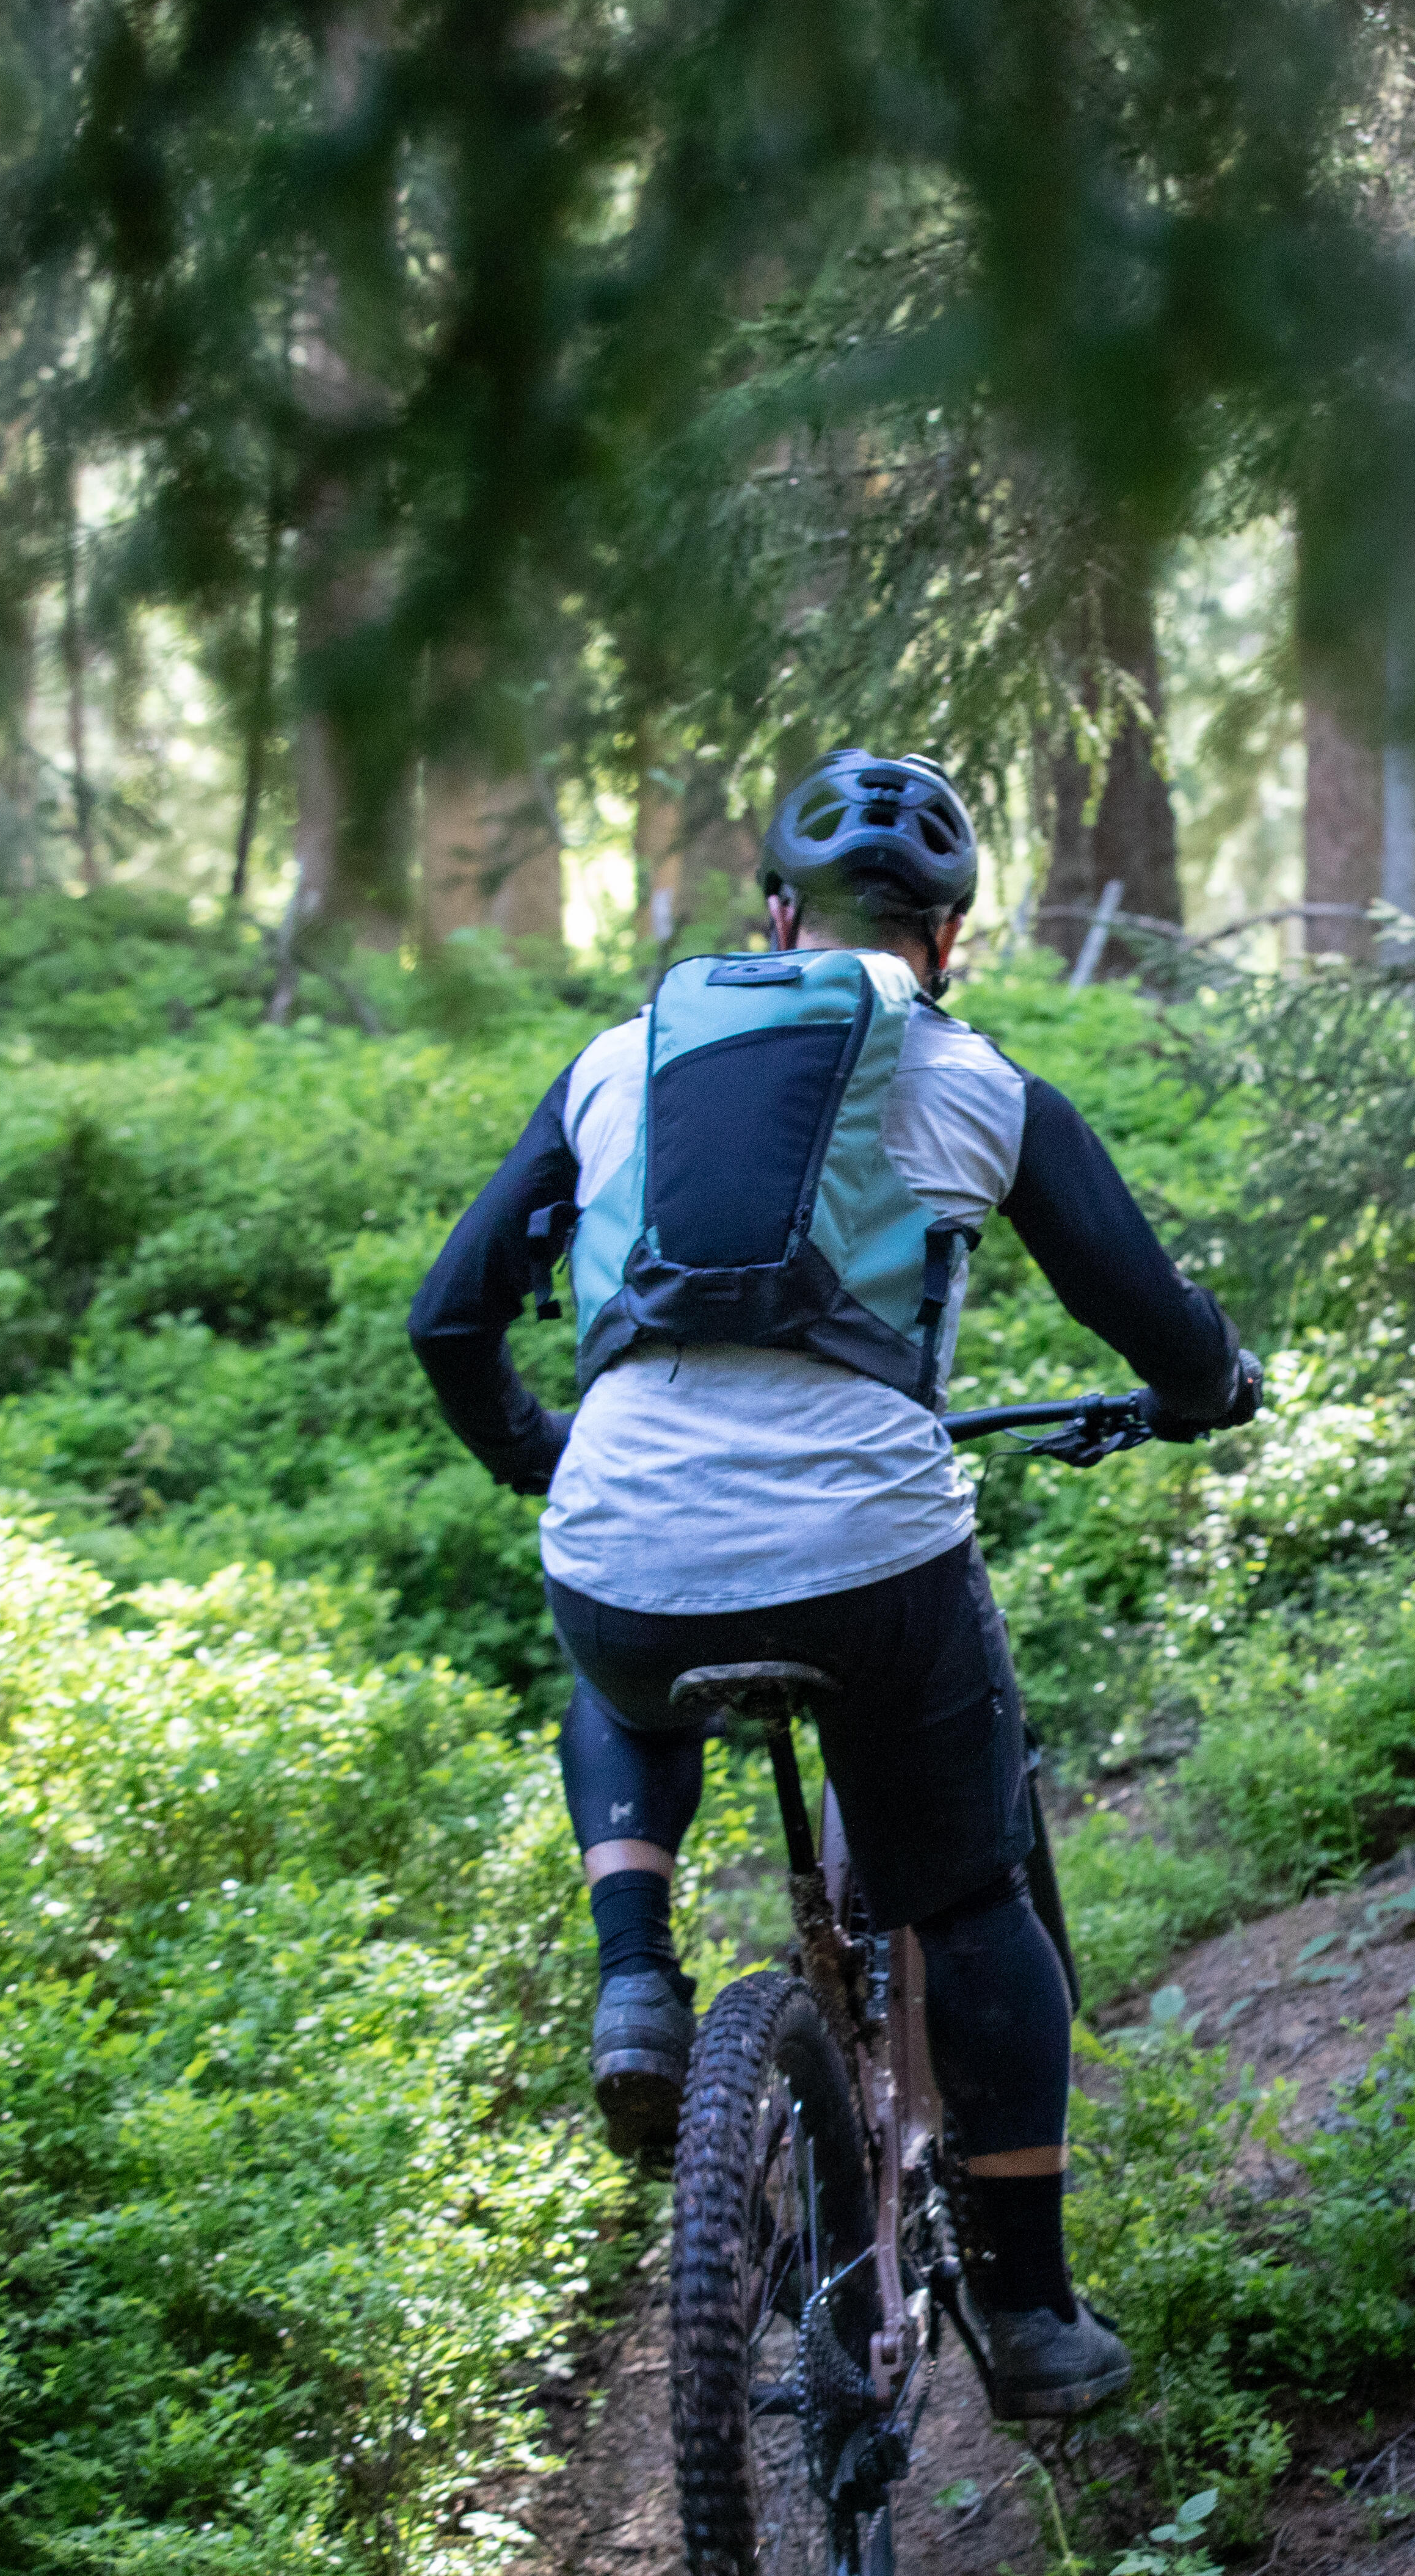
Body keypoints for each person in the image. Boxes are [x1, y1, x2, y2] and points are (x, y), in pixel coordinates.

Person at [406, 747, 1256, 2425]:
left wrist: (548, 1457)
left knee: (620, 1621)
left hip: (628, 1563)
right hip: (870, 1571)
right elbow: (1156, 1322)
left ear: (776, 919)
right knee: (973, 1896)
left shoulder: (614, 1060)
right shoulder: (980, 1085)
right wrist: (1203, 1389)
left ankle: (637, 1967)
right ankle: (1026, 2319)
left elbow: (448, 1320)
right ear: (946, 941)